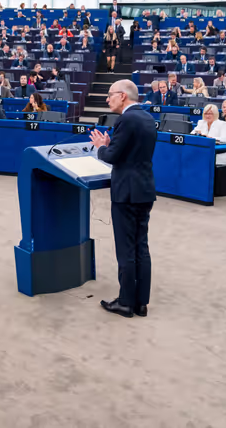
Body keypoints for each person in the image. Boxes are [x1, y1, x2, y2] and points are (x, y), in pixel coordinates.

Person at [90, 79, 157, 318]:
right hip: (144, 190)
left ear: (123, 96)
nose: (107, 99)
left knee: (126, 248)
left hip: (126, 193)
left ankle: (126, 303)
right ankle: (141, 303)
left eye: (110, 94)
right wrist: (112, 146)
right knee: (141, 246)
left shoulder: (125, 119)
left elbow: (112, 157)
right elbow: (130, 152)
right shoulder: (147, 118)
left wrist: (101, 147)